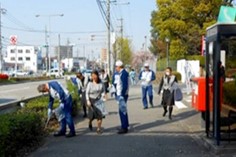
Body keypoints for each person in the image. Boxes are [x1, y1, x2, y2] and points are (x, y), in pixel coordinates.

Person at [86, 70, 106, 134]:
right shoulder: (90, 84)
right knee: (91, 116)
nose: (94, 77)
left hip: (99, 100)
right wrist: (88, 100)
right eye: (92, 76)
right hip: (91, 100)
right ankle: (90, 122)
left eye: (95, 75)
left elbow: (103, 91)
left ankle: (98, 128)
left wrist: (103, 97)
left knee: (100, 115)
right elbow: (87, 93)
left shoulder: (101, 83)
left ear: (97, 75)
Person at [114, 60, 130, 134]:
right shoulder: (121, 73)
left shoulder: (124, 74)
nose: (115, 68)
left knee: (122, 111)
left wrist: (122, 95)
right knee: (122, 111)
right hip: (120, 94)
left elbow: (124, 86)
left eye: (116, 67)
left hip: (122, 95)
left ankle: (124, 127)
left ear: (119, 67)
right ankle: (124, 125)